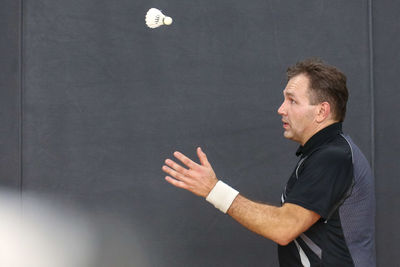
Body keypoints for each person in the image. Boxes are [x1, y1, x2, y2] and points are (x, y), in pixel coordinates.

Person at [162, 58, 376, 267]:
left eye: (292, 100)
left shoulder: (333, 157)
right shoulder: (326, 153)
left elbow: (284, 227)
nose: (281, 109)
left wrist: (213, 189)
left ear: (321, 111)